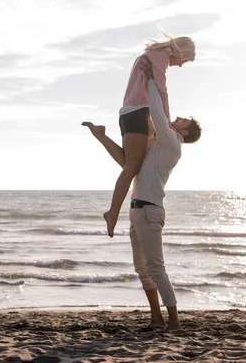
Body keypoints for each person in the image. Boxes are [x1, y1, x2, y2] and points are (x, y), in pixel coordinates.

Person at [82, 57, 201, 330]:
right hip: (137, 209)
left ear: (185, 131)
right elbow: (128, 164)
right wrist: (101, 136)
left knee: (156, 268)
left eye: (182, 119)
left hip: (149, 210)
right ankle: (156, 318)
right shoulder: (157, 143)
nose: (177, 118)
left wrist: (150, 77)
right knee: (142, 269)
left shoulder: (173, 143)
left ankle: (174, 321)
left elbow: (157, 114)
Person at [104, 34, 196, 238]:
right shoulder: (161, 56)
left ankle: (101, 136)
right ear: (181, 52)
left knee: (133, 165)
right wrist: (168, 121)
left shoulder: (150, 54)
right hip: (139, 113)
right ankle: (112, 213)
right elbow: (161, 90)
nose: (181, 65)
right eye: (184, 61)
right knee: (131, 168)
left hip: (127, 113)